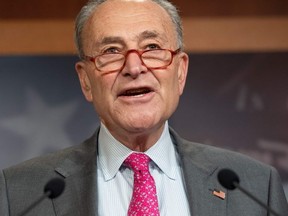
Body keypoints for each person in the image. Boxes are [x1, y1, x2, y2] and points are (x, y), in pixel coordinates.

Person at [0, 0, 287, 215]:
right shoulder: (19, 193)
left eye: (151, 47)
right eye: (111, 51)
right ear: (86, 80)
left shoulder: (255, 187)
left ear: (180, 72)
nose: (134, 67)